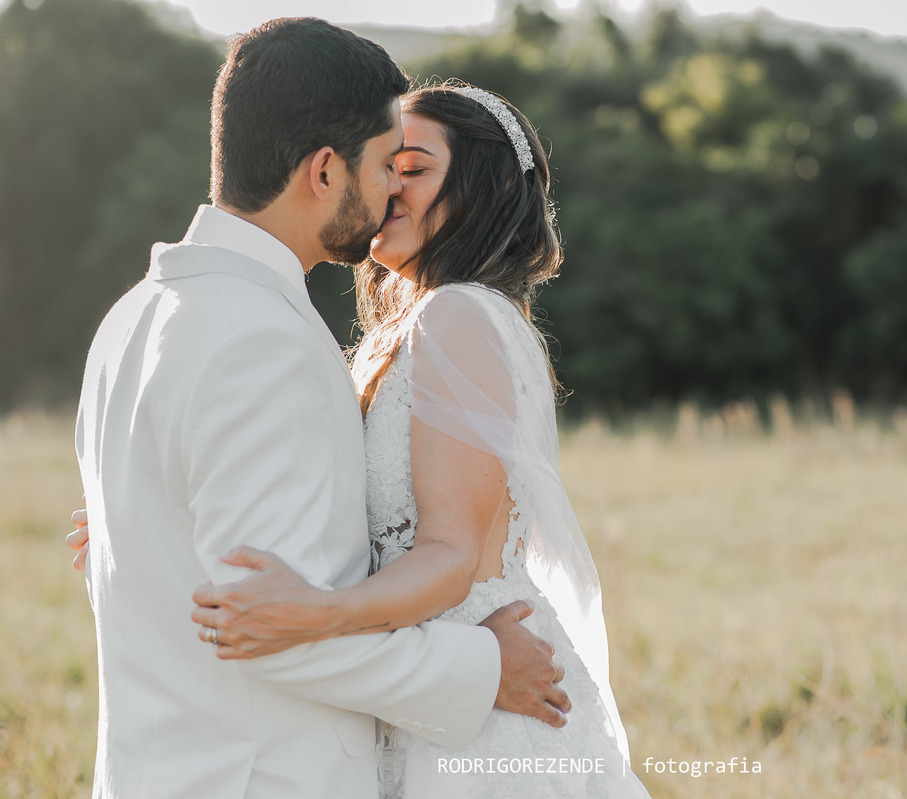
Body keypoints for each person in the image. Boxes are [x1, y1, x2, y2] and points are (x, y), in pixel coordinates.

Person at [70, 20, 566, 799]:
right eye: (382, 165)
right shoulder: (258, 340)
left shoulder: (132, 317)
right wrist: (483, 668)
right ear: (325, 171)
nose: (389, 190)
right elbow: (272, 628)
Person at [183, 82, 651, 797]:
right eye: (385, 164)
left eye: (416, 167)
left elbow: (450, 553)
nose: (388, 188)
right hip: (430, 684)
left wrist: (315, 614)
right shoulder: (413, 326)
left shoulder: (457, 317)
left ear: (484, 185)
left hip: (485, 701)